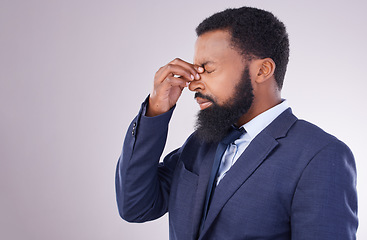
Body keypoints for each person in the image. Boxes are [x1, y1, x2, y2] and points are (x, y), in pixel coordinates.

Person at [115, 6, 358, 240]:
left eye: (207, 69)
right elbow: (136, 206)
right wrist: (156, 109)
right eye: (194, 71)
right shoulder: (200, 144)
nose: (192, 84)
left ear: (262, 70)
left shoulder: (321, 155)